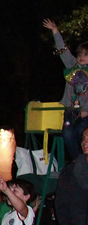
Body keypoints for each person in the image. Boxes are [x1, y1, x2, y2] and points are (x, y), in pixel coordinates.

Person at [42, 19, 88, 160]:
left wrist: (86, 109)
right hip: (70, 110)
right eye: (80, 54)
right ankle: (78, 161)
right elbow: (63, 50)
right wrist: (55, 30)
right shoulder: (72, 65)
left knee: (81, 131)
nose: (81, 57)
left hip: (86, 112)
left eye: (85, 55)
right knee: (67, 133)